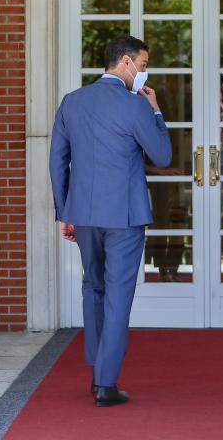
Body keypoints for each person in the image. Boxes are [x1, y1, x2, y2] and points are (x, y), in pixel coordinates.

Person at [49, 35, 172, 408]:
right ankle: (106, 381)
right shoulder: (134, 106)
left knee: (93, 288)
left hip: (84, 214)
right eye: (143, 65)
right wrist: (154, 110)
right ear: (124, 62)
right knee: (118, 295)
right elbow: (163, 156)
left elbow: (58, 161)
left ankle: (96, 368)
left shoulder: (72, 102)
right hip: (125, 215)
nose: (144, 72)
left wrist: (64, 211)